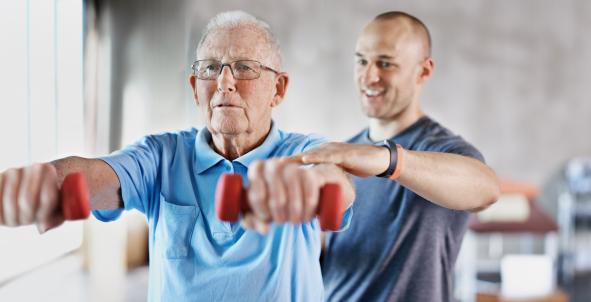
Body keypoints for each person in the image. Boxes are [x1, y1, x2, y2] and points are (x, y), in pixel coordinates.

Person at [0, 11, 355, 302]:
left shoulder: (303, 152)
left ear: (278, 89)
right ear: (195, 88)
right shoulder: (161, 155)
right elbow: (96, 176)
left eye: (245, 67)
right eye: (210, 68)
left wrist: (309, 186)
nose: (224, 82)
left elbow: (335, 179)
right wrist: (46, 181)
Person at [295, 11, 501, 301]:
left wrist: (388, 160)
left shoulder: (445, 150)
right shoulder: (343, 154)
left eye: (385, 63)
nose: (369, 76)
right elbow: (334, 264)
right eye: (362, 60)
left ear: (424, 71)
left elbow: (487, 189)